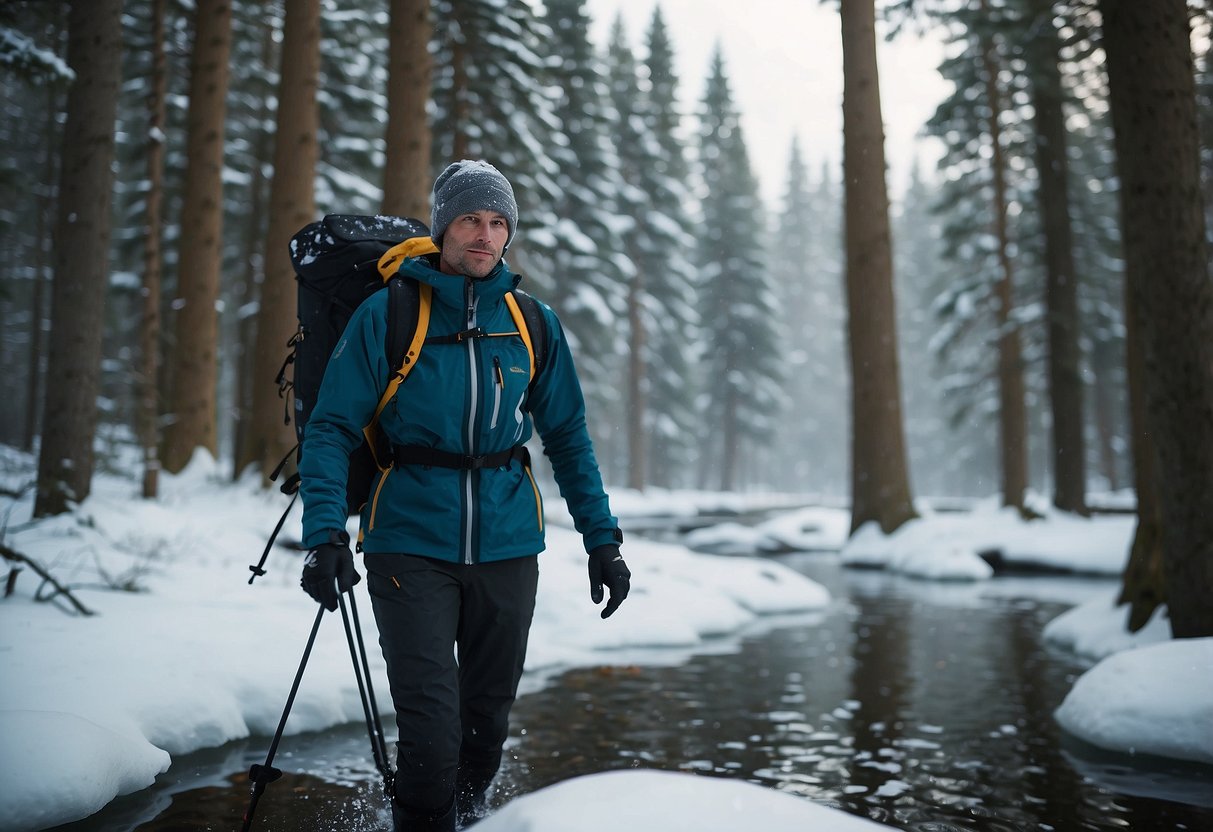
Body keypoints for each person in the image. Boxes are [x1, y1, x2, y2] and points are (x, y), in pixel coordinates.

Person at [297, 159, 630, 831]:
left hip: (509, 545)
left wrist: (603, 541)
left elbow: (567, 437)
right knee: (431, 732)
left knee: (486, 726)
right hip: (406, 543)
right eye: (471, 219)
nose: (484, 235)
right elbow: (331, 428)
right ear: (443, 226)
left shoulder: (530, 323)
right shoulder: (387, 313)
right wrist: (325, 533)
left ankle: (468, 820)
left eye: (498, 222)